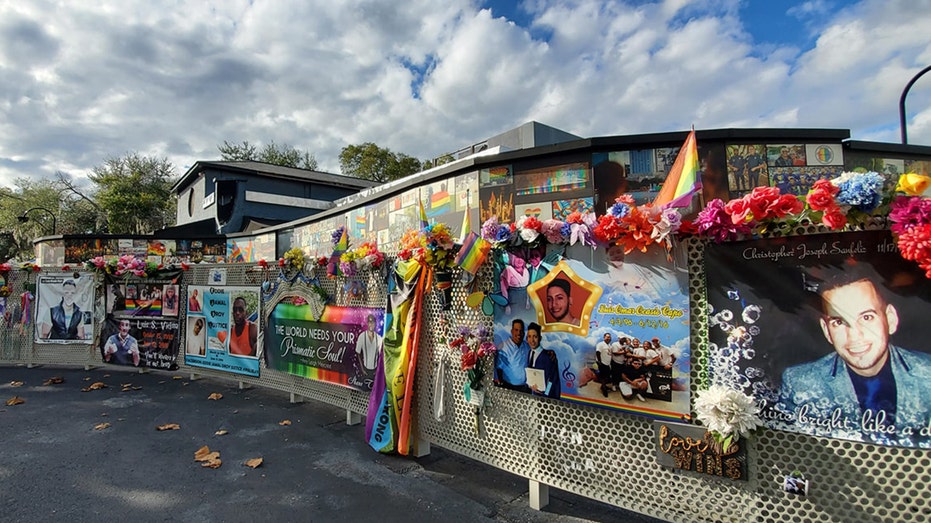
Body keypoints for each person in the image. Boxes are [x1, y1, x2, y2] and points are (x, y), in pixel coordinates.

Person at [779, 269, 931, 442]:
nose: (854, 336)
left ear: (890, 319)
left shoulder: (927, 375)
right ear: (827, 330)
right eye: (838, 322)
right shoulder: (800, 383)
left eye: (867, 317)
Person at [526, 322, 560, 399]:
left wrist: (546, 393)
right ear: (527, 338)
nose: (532, 340)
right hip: (533, 395)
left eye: (535, 336)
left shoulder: (549, 356)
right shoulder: (529, 353)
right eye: (529, 336)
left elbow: (553, 380)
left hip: (546, 398)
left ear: (540, 338)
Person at [494, 319, 530, 391]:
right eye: (516, 330)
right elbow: (499, 369)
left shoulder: (527, 346)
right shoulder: (503, 346)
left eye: (521, 330)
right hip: (509, 387)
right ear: (512, 331)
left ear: (524, 332)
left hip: (525, 388)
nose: (519, 333)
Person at [595, 332, 615, 398]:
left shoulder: (609, 345)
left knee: (607, 376)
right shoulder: (601, 344)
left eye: (609, 337)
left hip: (607, 363)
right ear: (604, 337)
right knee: (604, 377)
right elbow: (598, 352)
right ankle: (604, 389)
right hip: (602, 363)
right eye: (607, 337)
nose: (608, 338)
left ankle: (603, 386)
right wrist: (599, 362)